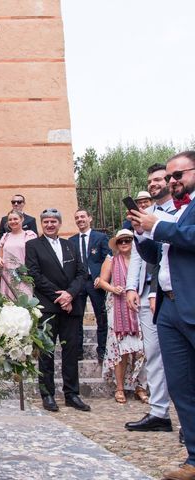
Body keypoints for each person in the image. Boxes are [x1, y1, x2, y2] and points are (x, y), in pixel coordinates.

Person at [129, 151, 195, 480]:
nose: (172, 181)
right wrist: (143, 234)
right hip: (168, 308)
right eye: (169, 177)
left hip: (192, 302)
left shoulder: (184, 212)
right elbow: (158, 255)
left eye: (178, 175)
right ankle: (194, 460)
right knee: (181, 386)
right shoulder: (172, 213)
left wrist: (161, 226)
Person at [125, 163, 175, 432]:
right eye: (150, 181)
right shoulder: (147, 215)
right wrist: (132, 287)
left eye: (158, 179)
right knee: (153, 354)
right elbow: (138, 256)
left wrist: (157, 291)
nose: (153, 184)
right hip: (146, 296)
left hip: (171, 294)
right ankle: (159, 412)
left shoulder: (180, 212)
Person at [25, 208, 90, 413]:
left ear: (59, 224)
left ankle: (72, 394)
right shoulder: (33, 245)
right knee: (47, 351)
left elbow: (81, 273)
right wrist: (59, 296)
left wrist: (70, 294)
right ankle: (48, 394)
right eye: (46, 222)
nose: (50, 225)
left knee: (71, 351)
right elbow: (34, 274)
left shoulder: (70, 245)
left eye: (54, 221)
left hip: (71, 306)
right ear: (42, 225)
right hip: (49, 306)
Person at [96, 229, 146, 404]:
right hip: (117, 307)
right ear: (116, 244)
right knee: (121, 349)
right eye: (121, 241)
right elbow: (101, 280)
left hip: (138, 305)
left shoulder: (141, 260)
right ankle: (120, 388)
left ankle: (140, 386)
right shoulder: (111, 260)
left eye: (128, 240)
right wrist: (113, 288)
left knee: (142, 349)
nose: (124, 243)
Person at [69, 209, 110, 362]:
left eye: (82, 217)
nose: (80, 220)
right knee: (76, 318)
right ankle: (78, 351)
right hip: (79, 283)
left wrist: (103, 278)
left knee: (101, 316)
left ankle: (102, 350)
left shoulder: (101, 237)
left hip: (96, 282)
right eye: (77, 217)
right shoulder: (71, 241)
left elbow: (108, 259)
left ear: (89, 218)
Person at [0, 209, 37, 299]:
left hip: (23, 275)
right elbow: (0, 253)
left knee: (24, 300)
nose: (12, 221)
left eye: (15, 219)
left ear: (21, 219)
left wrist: (26, 271)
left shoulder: (29, 235)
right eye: (10, 220)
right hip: (7, 275)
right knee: (8, 302)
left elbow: (35, 256)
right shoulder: (5, 236)